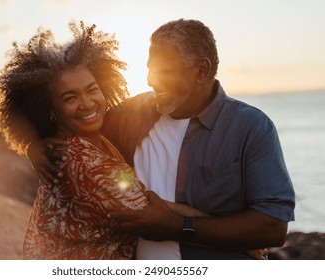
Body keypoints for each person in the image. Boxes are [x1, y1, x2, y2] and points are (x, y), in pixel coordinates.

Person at [19, 19, 295, 259]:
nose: (150, 80)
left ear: (201, 70)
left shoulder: (250, 128)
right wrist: (35, 145)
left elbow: (272, 227)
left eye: (163, 71)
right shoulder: (131, 115)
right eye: (149, 68)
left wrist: (180, 226)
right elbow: (75, 127)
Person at [0, 21, 153, 259]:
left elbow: (149, 102)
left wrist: (33, 146)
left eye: (92, 89)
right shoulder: (78, 160)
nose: (87, 103)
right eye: (70, 97)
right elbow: (153, 217)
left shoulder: (92, 138)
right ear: (51, 110)